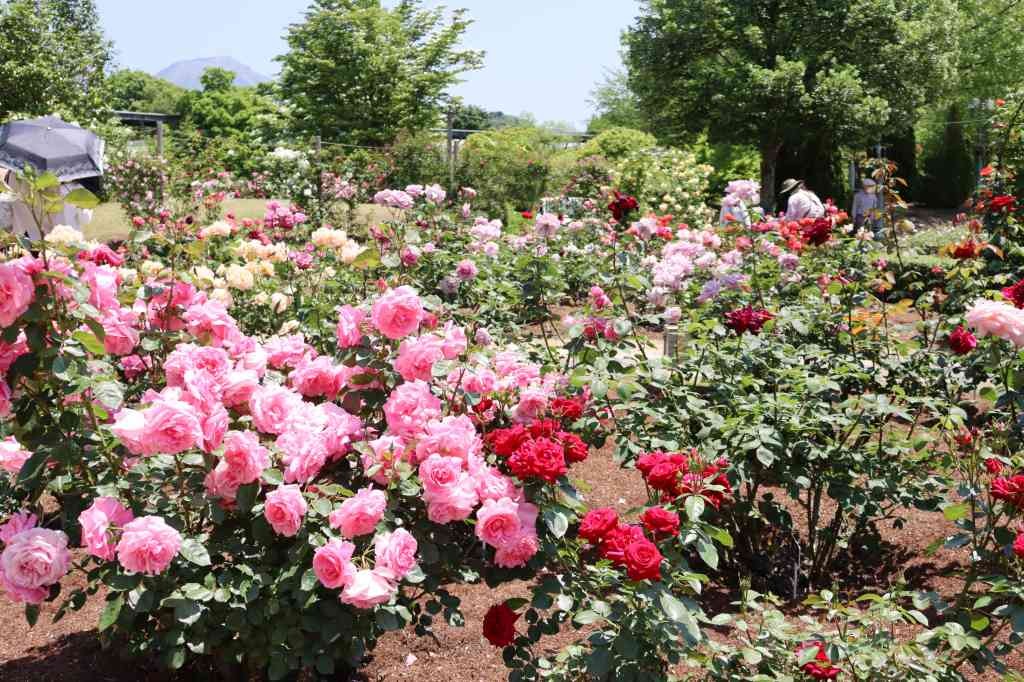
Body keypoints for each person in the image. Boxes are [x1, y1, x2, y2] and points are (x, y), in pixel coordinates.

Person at [3, 169, 94, 241]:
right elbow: (85, 219)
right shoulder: (73, 189)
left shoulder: (12, 176)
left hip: (31, 240)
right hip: (68, 241)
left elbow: (5, 219)